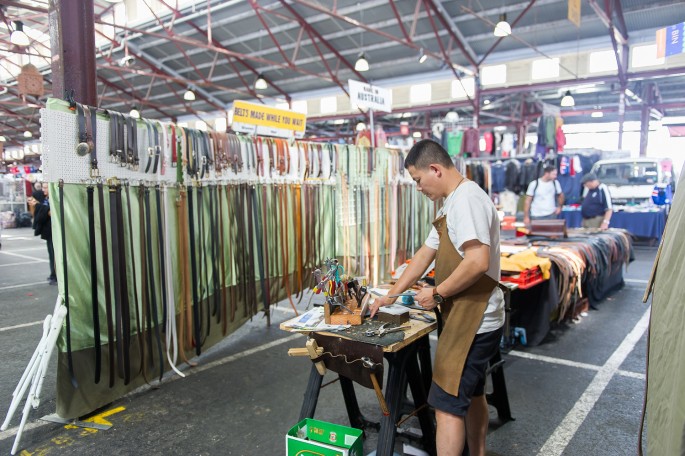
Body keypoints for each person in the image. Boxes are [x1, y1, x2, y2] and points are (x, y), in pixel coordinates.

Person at [370, 139, 504, 456]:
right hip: (468, 316)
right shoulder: (451, 202)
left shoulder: (466, 200)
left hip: (474, 320)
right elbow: (424, 255)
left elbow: (477, 261)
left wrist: (438, 292)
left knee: (445, 404)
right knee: (470, 394)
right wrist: (391, 294)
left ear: (435, 169)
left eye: (418, 180)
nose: (418, 188)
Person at [28, 182, 56, 285]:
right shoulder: (43, 197)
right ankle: (53, 275)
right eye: (43, 187)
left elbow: (53, 213)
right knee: (51, 254)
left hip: (55, 231)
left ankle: (55, 276)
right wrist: (32, 203)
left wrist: (38, 205)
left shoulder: (54, 199)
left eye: (45, 188)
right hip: (48, 231)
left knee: (55, 255)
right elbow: (32, 203)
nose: (43, 190)